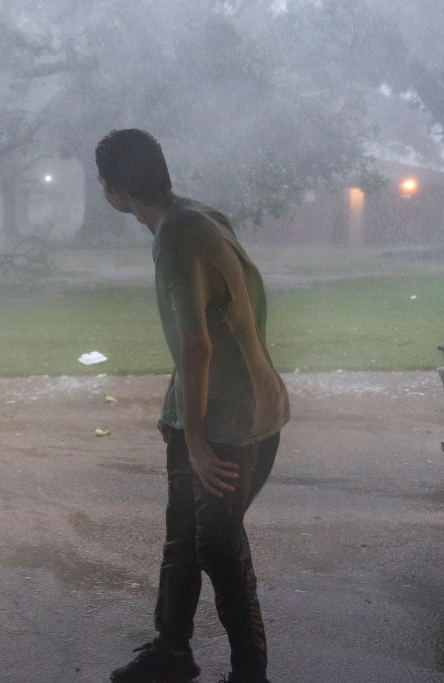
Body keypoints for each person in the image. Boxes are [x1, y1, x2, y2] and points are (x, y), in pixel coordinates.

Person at [95, 129, 289, 683]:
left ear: (112, 191)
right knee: (183, 534)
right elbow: (213, 333)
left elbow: (199, 343)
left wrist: (198, 440)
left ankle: (250, 674)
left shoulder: (176, 238)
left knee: (219, 547)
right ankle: (172, 651)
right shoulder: (196, 216)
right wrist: (176, 408)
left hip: (235, 422)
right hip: (216, 406)